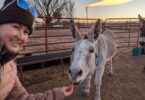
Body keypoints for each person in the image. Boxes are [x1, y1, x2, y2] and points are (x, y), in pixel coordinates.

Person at [0, 0, 74, 100]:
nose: (22, 37)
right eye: (16, 27)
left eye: (26, 32)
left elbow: (21, 98)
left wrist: (56, 94)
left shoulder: (10, 65)